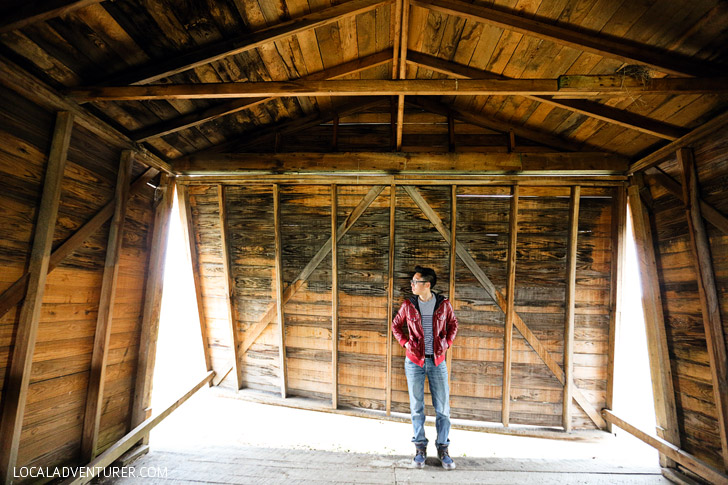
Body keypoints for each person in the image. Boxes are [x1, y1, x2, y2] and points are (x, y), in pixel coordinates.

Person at [391, 265, 458, 470]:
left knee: (443, 409)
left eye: (415, 282)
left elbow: (453, 325)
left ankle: (443, 448)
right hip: (414, 361)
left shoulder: (443, 305)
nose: (412, 285)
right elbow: (396, 325)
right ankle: (420, 448)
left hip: (438, 361)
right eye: (412, 281)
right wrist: (405, 343)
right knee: (416, 408)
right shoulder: (408, 305)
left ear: (427, 284)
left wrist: (446, 343)